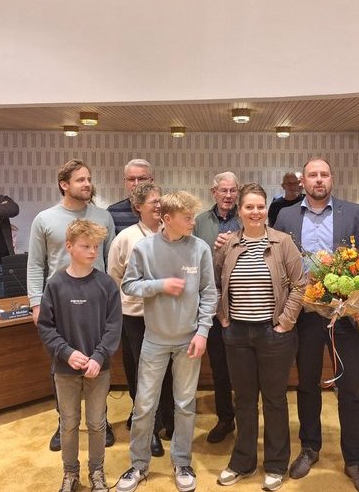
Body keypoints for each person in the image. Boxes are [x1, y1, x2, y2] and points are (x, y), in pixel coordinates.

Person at [274, 158, 359, 492]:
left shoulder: (355, 212)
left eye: (324, 174)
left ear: (332, 179)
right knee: (306, 384)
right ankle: (309, 447)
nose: (319, 180)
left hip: (346, 317)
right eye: (312, 175)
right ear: (302, 181)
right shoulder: (286, 216)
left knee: (350, 390)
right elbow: (277, 260)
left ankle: (355, 461)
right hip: (305, 315)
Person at [116, 191, 217, 492]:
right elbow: (129, 285)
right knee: (145, 405)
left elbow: (209, 294)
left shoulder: (200, 249)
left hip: (189, 341)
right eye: (187, 218)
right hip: (154, 340)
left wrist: (202, 332)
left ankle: (182, 461)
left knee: (185, 405)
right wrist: (160, 285)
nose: (192, 223)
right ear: (167, 218)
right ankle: (138, 465)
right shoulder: (144, 249)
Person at [214, 183, 305, 492]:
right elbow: (213, 283)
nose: (255, 212)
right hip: (237, 333)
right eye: (249, 207)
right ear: (239, 211)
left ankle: (277, 464)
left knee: (275, 399)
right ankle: (242, 461)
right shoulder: (228, 245)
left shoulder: (283, 243)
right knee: (244, 401)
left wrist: (285, 322)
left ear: (267, 209)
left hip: (273, 334)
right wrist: (223, 317)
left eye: (260, 207)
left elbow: (300, 284)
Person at [27, 159, 116, 452]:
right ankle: (63, 421)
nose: (87, 184)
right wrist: (36, 303)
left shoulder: (103, 217)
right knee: (63, 365)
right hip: (59, 304)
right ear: (64, 184)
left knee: (97, 363)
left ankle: (99, 420)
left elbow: (112, 263)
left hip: (97, 303)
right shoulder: (45, 219)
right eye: (80, 180)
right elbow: (35, 264)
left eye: (89, 179)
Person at [37, 219, 122, 492]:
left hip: (99, 368)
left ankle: (97, 472)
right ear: (69, 246)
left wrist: (98, 356)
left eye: (96, 246)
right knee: (69, 424)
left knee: (97, 424)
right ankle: (70, 474)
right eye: (86, 246)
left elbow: (113, 327)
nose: (92, 252)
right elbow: (46, 327)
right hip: (65, 370)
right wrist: (66, 353)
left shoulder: (107, 285)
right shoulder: (56, 285)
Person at [107, 182, 172, 458]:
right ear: (138, 207)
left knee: (168, 370)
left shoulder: (171, 233)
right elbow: (114, 277)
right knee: (143, 373)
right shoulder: (126, 238)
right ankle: (150, 430)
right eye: (152, 202)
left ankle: (169, 420)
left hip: (167, 316)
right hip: (135, 316)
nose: (158, 205)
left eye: (160, 201)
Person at [193, 171, 241, 444]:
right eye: (223, 191)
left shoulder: (247, 219)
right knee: (220, 366)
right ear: (214, 192)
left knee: (245, 367)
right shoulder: (200, 222)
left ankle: (247, 417)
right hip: (211, 306)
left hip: (243, 304)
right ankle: (226, 419)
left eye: (233, 191)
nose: (228, 196)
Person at [108, 159, 154, 235]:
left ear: (151, 181)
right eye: (131, 179)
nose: (136, 183)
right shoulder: (113, 212)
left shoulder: (163, 209)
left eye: (141, 179)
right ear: (125, 182)